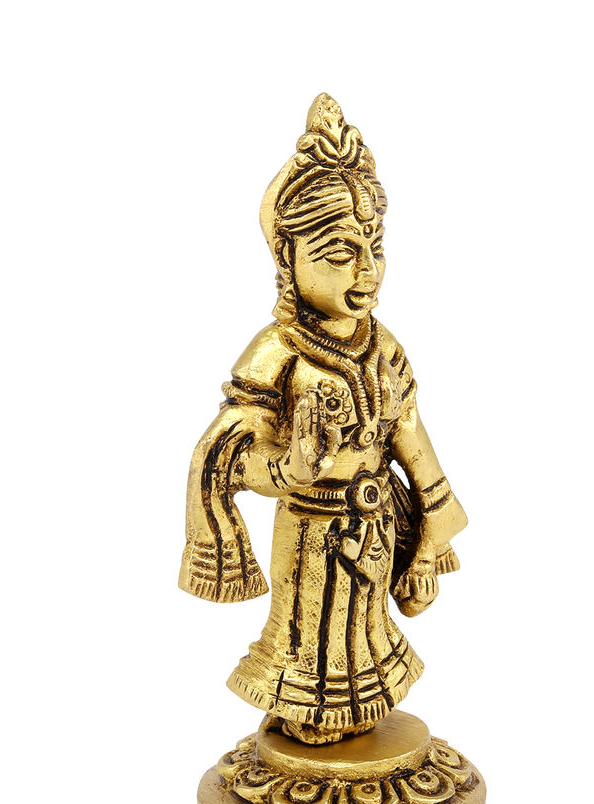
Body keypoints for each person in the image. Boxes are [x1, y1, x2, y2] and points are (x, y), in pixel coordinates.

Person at [180, 94, 467, 745]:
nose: (366, 270)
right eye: (339, 252)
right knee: (312, 642)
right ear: (289, 259)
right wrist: (287, 468)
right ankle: (306, 712)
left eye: (375, 247)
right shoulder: (277, 352)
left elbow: (413, 443)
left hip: (376, 523)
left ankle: (358, 713)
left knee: (367, 637)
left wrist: (427, 545)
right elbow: (232, 451)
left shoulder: (383, 347)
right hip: (311, 530)